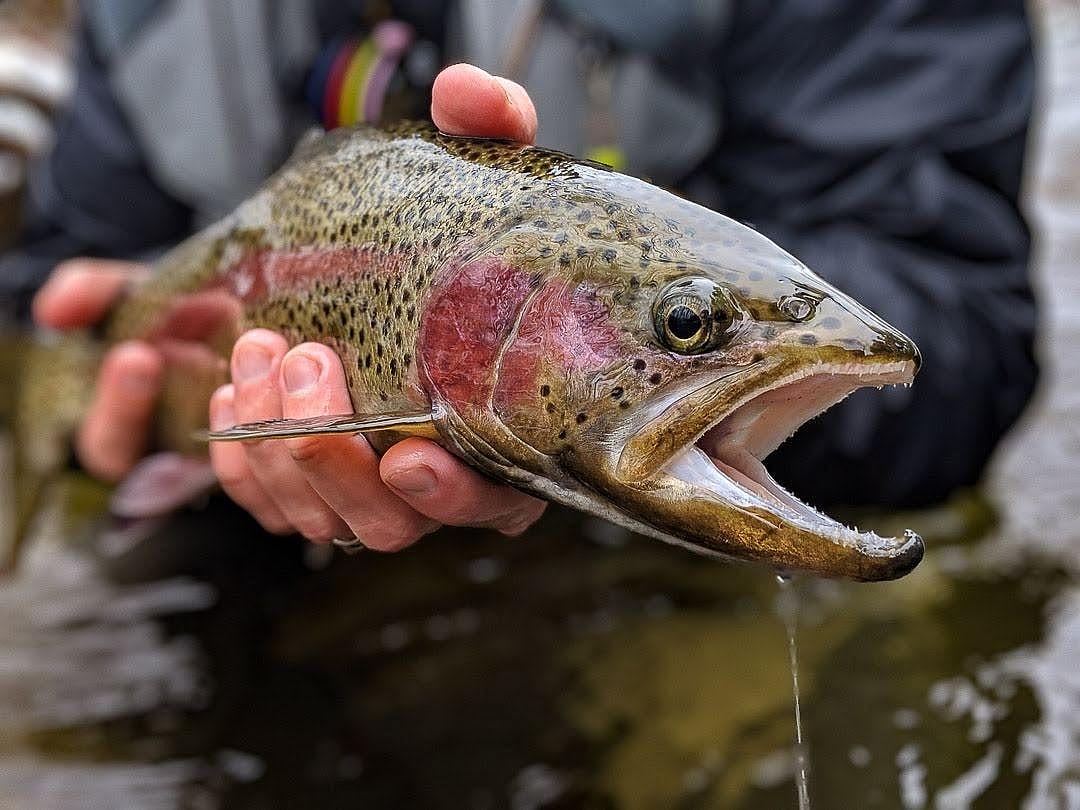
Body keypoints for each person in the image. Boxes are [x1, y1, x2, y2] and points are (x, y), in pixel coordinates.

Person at [6, 0, 1038, 550]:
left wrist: (715, 433)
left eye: (684, 327)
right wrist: (110, 406)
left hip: (632, 574)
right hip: (251, 543)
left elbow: (957, 325)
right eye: (687, 326)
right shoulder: (139, 15)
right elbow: (54, 274)